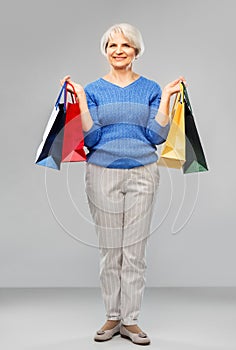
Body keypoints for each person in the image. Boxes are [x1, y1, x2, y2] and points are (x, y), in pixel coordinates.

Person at [61, 23, 186, 346]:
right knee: (110, 251)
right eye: (112, 46)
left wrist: (168, 99)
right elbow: (93, 138)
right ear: (105, 51)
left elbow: (155, 137)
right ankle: (112, 316)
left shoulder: (151, 88)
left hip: (144, 171)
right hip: (101, 171)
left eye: (126, 46)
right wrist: (82, 101)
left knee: (134, 251)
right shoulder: (94, 89)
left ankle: (131, 321)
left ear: (136, 51)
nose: (119, 51)